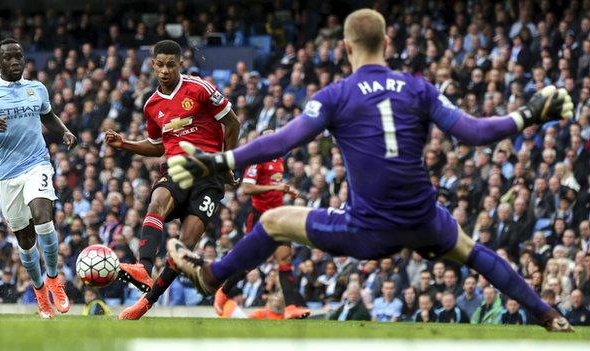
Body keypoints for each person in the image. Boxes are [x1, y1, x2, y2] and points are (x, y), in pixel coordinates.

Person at [166, 9, 574, 331]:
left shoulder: (336, 95)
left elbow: (283, 141)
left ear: (345, 47)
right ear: (387, 41)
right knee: (473, 252)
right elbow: (475, 131)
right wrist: (528, 115)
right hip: (423, 219)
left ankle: (212, 276)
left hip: (367, 229)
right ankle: (547, 314)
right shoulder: (419, 87)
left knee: (273, 221)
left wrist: (218, 160)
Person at [107, 40, 240, 319]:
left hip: (209, 175)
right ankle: (143, 267)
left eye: (171, 64)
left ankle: (146, 303)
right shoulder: (152, 105)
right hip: (177, 168)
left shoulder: (199, 88)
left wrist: (226, 162)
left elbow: (233, 123)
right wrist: (126, 144)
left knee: (183, 246)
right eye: (160, 65)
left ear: (180, 64)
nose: (165, 70)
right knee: (157, 200)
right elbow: (158, 144)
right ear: (152, 65)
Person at [0, 38, 77, 318]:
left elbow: (48, 116)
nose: (15, 62)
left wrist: (63, 131)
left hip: (37, 164)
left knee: (44, 218)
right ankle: (40, 292)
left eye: (19, 57)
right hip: (6, 175)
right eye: (9, 58)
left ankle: (54, 279)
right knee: (25, 241)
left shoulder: (36, 89)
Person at [213, 128, 309, 319]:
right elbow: (246, 188)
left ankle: (290, 307)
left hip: (278, 216)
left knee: (285, 259)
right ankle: (223, 292)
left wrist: (285, 191)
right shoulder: (257, 161)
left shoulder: (279, 159)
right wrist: (276, 187)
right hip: (259, 218)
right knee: (250, 262)